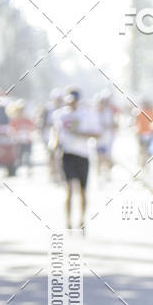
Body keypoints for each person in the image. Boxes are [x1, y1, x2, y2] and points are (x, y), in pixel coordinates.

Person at [52, 89, 100, 231]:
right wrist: (53, 153)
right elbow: (56, 135)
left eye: (74, 100)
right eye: (69, 100)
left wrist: (81, 133)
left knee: (83, 191)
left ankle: (82, 220)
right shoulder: (59, 115)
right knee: (69, 190)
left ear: (78, 101)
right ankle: (68, 221)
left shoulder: (87, 115)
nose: (72, 103)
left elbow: (97, 133)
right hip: (67, 155)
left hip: (83, 155)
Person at [95, 91, 118, 180]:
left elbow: (114, 124)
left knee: (107, 157)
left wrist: (110, 126)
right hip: (98, 139)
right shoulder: (95, 112)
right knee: (99, 157)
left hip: (108, 138)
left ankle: (108, 174)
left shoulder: (109, 112)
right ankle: (98, 175)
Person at [8, 100, 35, 172]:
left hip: (27, 140)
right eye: (20, 110)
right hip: (18, 141)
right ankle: (16, 169)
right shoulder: (14, 119)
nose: (21, 112)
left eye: (22, 110)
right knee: (18, 156)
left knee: (27, 156)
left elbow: (32, 128)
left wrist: (26, 130)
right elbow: (11, 130)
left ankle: (29, 170)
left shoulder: (27, 119)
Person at [135, 100, 153, 166]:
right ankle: (143, 163)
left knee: (143, 149)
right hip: (146, 133)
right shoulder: (150, 112)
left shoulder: (141, 112)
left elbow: (136, 123)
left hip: (143, 133)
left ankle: (142, 163)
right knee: (144, 149)